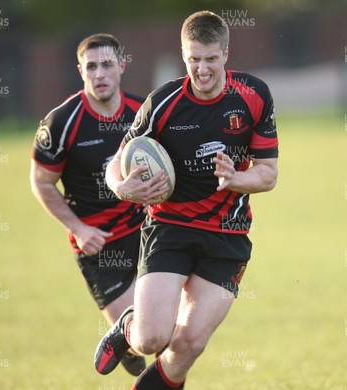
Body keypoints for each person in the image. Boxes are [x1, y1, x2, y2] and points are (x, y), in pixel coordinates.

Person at [93, 10, 278, 389]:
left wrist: (236, 178)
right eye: (194, 59)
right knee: (150, 340)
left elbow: (269, 173)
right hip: (170, 227)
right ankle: (128, 324)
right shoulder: (162, 102)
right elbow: (117, 160)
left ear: (226, 54)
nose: (202, 69)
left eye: (210, 59)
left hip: (227, 233)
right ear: (183, 54)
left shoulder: (253, 95)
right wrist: (122, 188)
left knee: (189, 343)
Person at [30, 33, 147, 376]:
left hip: (145, 230)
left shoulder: (143, 114)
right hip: (98, 242)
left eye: (107, 65)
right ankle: (125, 345)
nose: (100, 74)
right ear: (80, 70)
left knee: (162, 331)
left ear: (122, 66)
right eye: (92, 67)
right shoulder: (61, 123)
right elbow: (40, 181)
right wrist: (78, 229)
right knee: (138, 340)